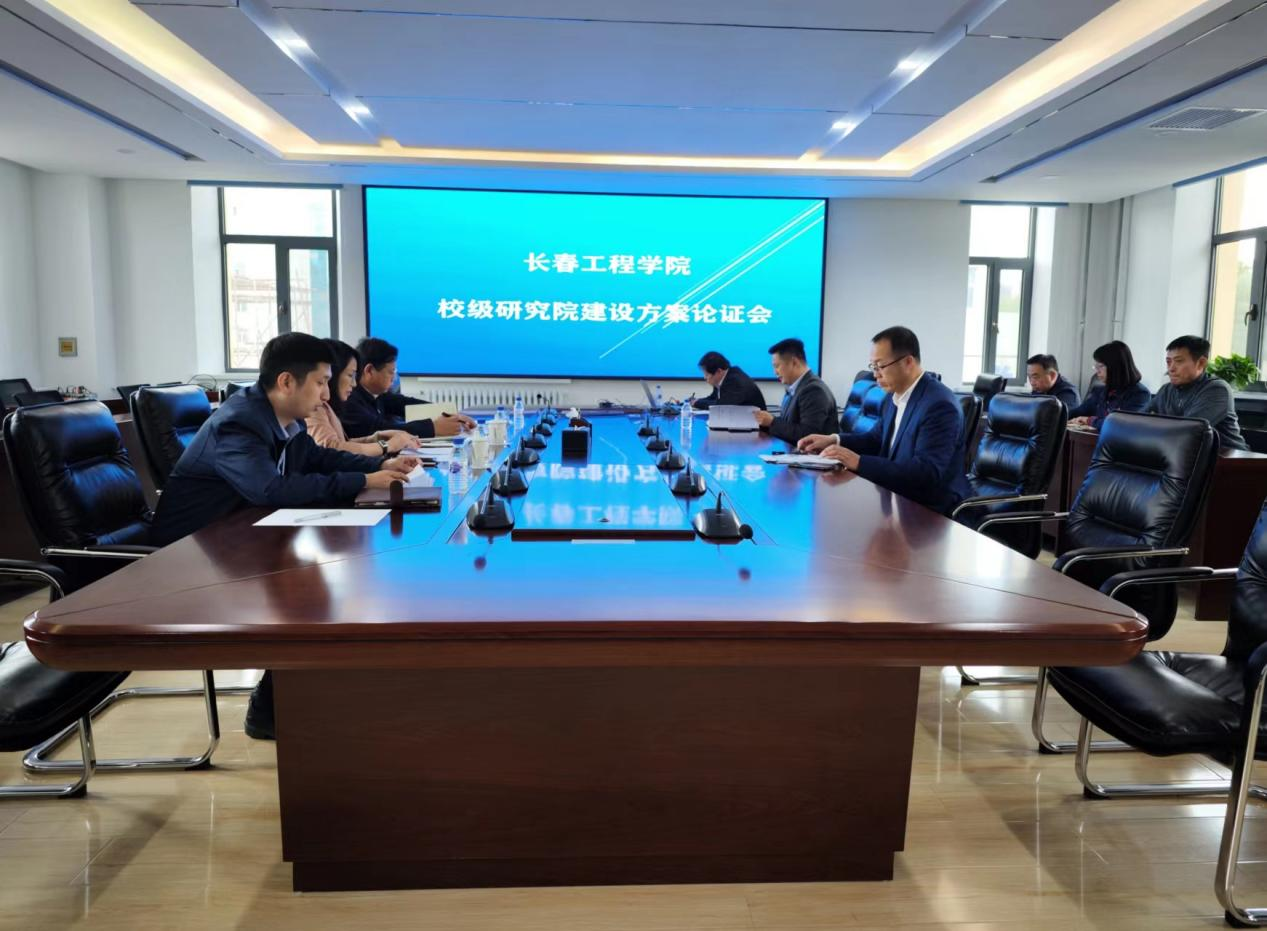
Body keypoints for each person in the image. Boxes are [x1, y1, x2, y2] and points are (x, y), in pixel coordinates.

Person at [151, 332, 413, 740]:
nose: (326, 395)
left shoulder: (278, 415)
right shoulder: (239, 422)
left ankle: (298, 691)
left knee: (336, 572)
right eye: (321, 382)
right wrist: (363, 480)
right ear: (287, 381)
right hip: (194, 551)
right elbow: (269, 490)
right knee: (314, 587)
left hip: (239, 535)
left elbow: (316, 457)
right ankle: (272, 708)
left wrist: (378, 466)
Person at [798, 326, 971, 514]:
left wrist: (859, 462)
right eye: (873, 367)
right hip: (896, 499)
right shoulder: (893, 396)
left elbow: (926, 473)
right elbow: (876, 439)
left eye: (880, 366)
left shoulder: (939, 405)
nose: (875, 374)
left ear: (908, 362)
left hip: (931, 512)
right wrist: (834, 440)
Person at [340, 337, 476, 440]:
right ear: (369, 370)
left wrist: (450, 414)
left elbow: (404, 403)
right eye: (391, 372)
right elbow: (380, 429)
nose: (394, 378)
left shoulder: (376, 394)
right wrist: (433, 427)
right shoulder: (349, 399)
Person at [308, 339, 423, 456]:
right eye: (350, 375)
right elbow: (331, 449)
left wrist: (375, 438)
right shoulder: (316, 407)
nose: (354, 384)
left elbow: (343, 443)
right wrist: (387, 446)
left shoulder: (327, 406)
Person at [1147, 334, 1248, 450]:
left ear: (1201, 363)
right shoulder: (1166, 390)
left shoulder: (1217, 389)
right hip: (1182, 454)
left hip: (1229, 457)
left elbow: (1188, 430)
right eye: (1168, 362)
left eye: (1178, 361)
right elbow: (1139, 420)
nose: (1171, 368)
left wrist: (1155, 425)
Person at [753, 337, 839, 443]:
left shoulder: (814, 390)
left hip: (813, 452)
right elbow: (788, 424)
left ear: (794, 362)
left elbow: (808, 435)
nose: (775, 372)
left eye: (777, 366)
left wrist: (772, 422)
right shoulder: (795, 387)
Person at [1068, 340, 1151, 428]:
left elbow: (1119, 425)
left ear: (1115, 367)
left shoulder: (1140, 394)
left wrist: (1089, 420)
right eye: (1096, 366)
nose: (1097, 371)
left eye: (1100, 366)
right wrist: (1060, 414)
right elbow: (1077, 412)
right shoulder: (1100, 391)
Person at [690, 351, 767, 410]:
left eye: (706, 374)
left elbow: (721, 406)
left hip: (756, 424)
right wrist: (696, 401)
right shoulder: (724, 378)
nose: (704, 377)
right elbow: (713, 397)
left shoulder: (735, 381)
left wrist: (697, 403)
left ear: (719, 371)